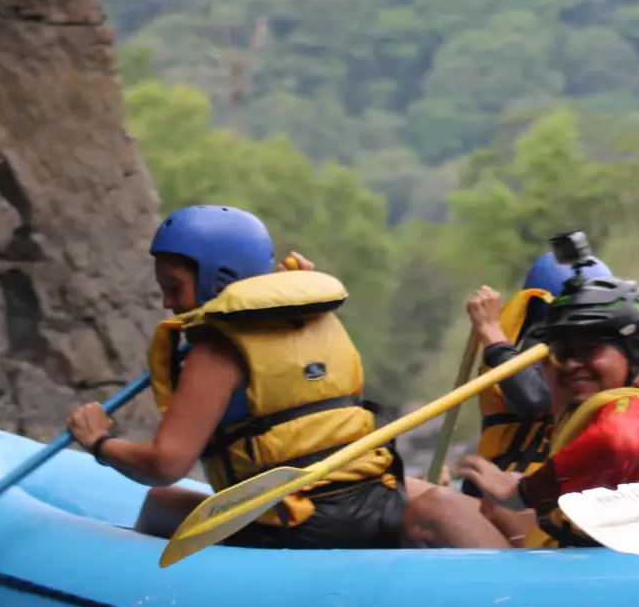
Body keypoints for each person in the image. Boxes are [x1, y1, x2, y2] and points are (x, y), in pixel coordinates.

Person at [66, 205, 406, 549]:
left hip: (292, 524)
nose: (167, 302)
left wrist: (99, 441)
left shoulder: (217, 352)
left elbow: (165, 464)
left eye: (174, 287)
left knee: (161, 501)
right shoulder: (313, 318)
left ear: (216, 282)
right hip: (376, 499)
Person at [403, 274, 639, 549]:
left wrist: (522, 491)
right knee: (494, 507)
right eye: (563, 352)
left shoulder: (637, 410)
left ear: (636, 352)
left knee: (433, 507)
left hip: (627, 584)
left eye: (590, 350)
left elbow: (619, 442)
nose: (572, 364)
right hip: (628, 564)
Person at [454, 249, 610, 545]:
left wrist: (492, 335)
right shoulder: (537, 350)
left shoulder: (618, 363)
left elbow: (535, 400)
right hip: (518, 497)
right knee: (421, 496)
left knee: (436, 503)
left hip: (553, 509)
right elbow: (535, 398)